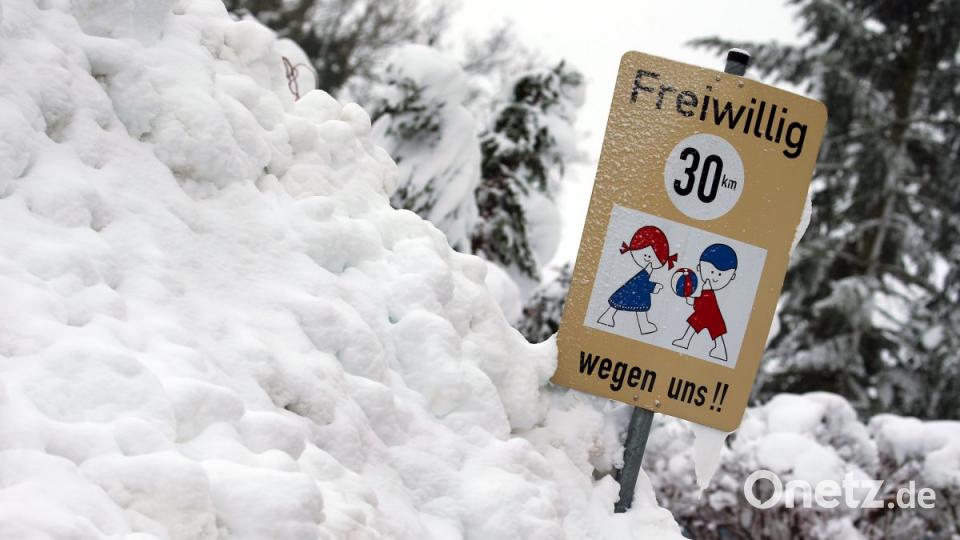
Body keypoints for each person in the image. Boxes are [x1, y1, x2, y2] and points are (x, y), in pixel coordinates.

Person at [597, 225, 677, 334]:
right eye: (645, 254)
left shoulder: (646, 270)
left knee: (633, 305)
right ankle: (643, 326)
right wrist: (653, 286)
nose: (647, 258)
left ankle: (609, 318)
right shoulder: (644, 272)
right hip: (634, 291)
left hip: (635, 291)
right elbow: (641, 283)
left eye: (651, 256)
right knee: (639, 305)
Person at [672, 243, 737, 361]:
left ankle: (719, 350)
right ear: (699, 267)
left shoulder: (708, 290)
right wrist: (693, 301)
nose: (715, 277)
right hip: (708, 315)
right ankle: (686, 341)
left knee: (713, 332)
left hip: (710, 316)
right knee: (701, 326)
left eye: (720, 274)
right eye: (712, 272)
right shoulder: (706, 288)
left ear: (732, 276)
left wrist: (693, 301)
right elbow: (705, 304)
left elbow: (706, 304)